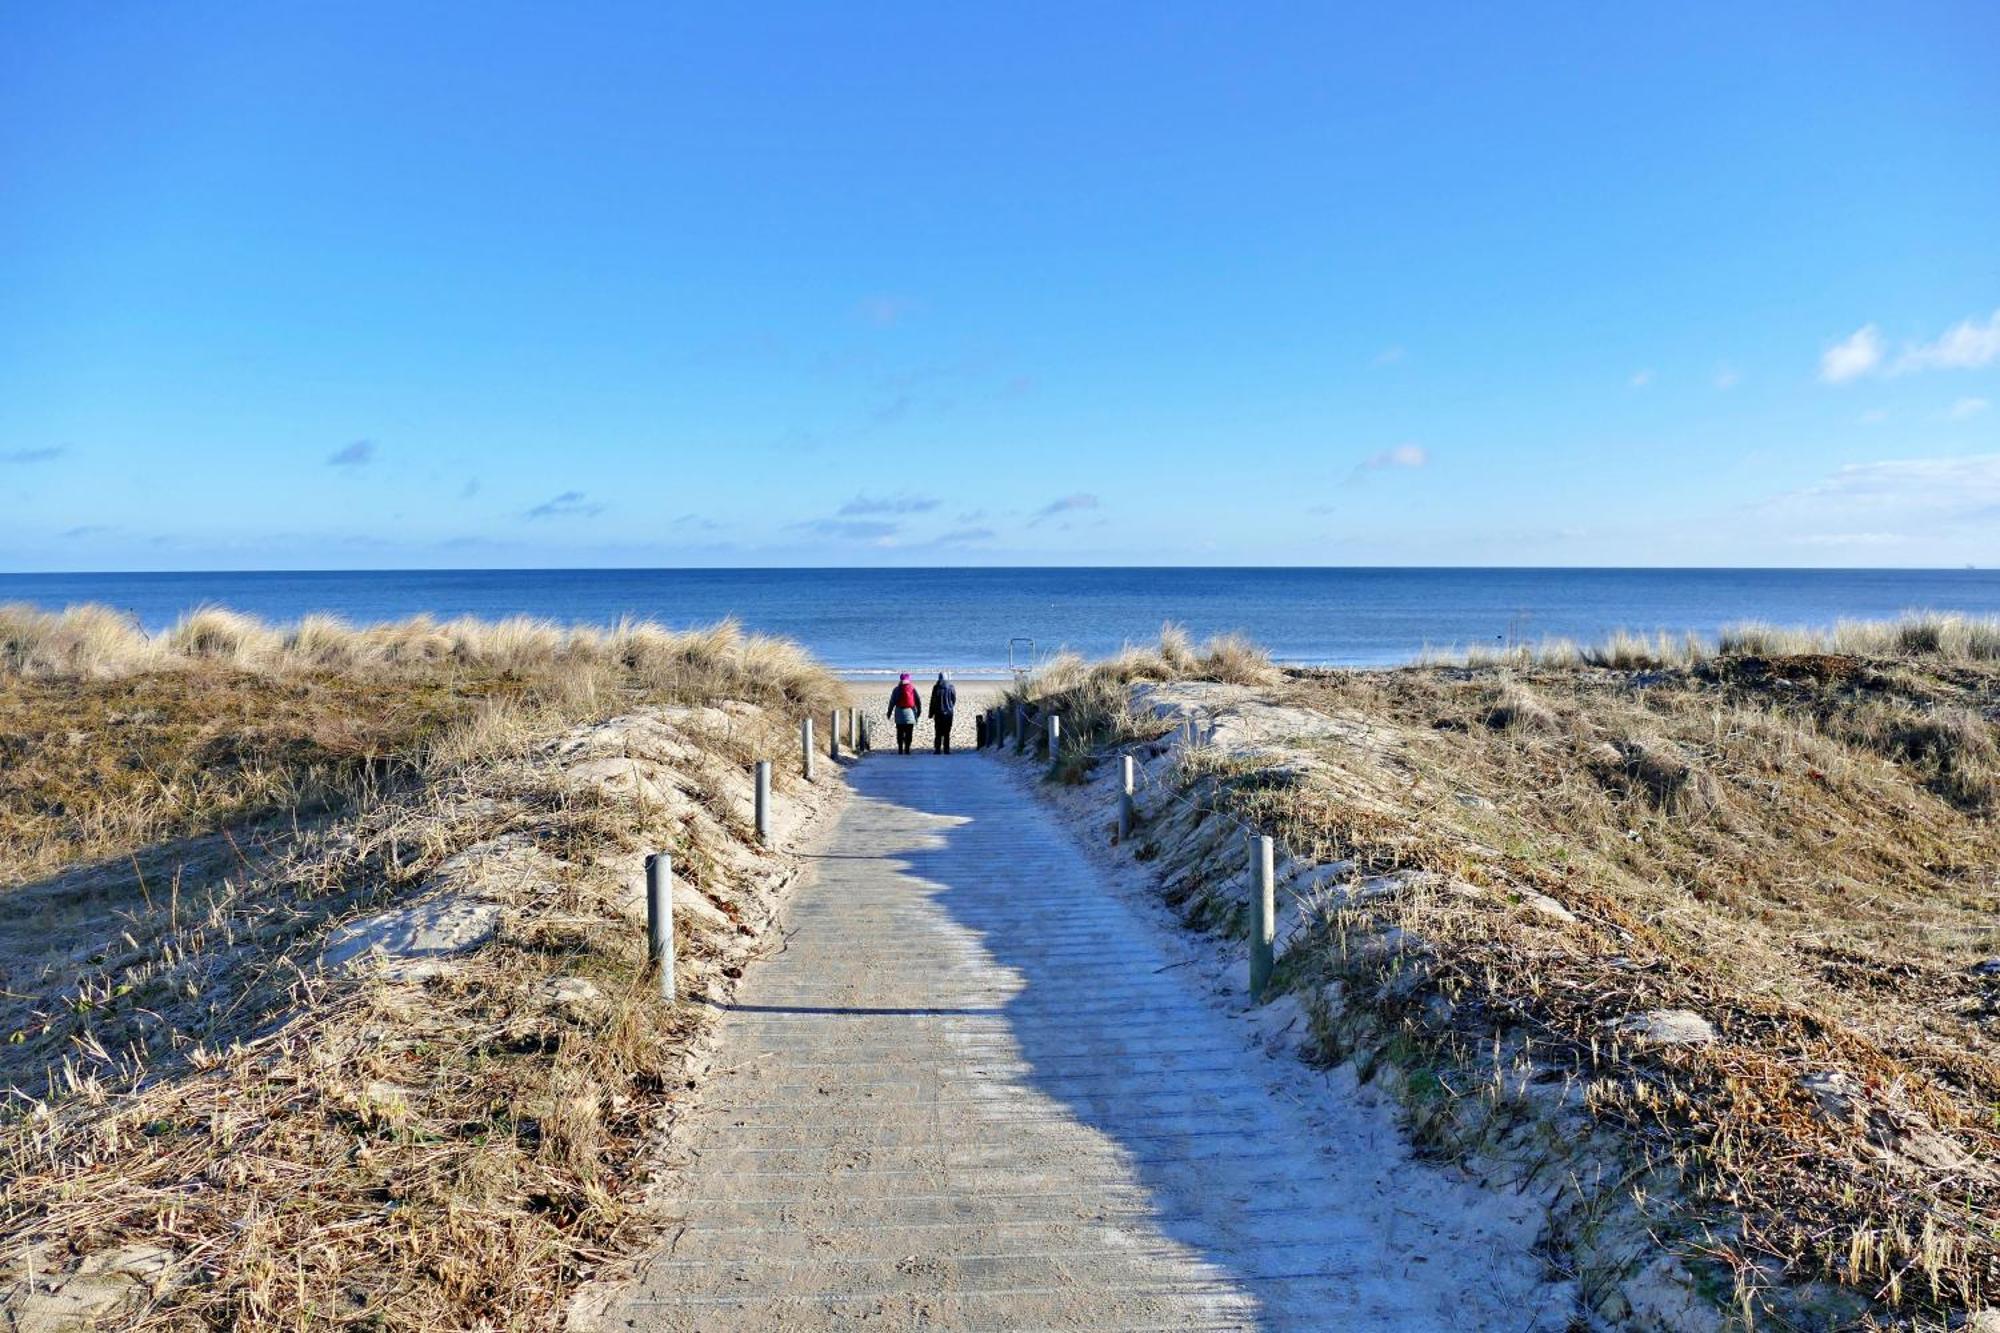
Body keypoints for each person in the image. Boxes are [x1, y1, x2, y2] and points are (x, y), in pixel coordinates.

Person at [887, 673, 922, 754]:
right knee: (909, 732)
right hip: (910, 713)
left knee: (900, 732)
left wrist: (889, 712)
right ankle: (907, 749)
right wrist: (919, 711)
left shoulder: (896, 689)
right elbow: (918, 701)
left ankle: (900, 749)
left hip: (899, 713)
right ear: (909, 680)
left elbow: (892, 702)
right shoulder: (912, 688)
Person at [929, 671, 957, 753]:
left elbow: (932, 701)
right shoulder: (951, 687)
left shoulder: (936, 687)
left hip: (938, 712)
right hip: (948, 713)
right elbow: (954, 699)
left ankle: (937, 749)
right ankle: (946, 749)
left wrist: (931, 713)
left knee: (938, 731)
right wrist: (950, 706)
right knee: (947, 732)